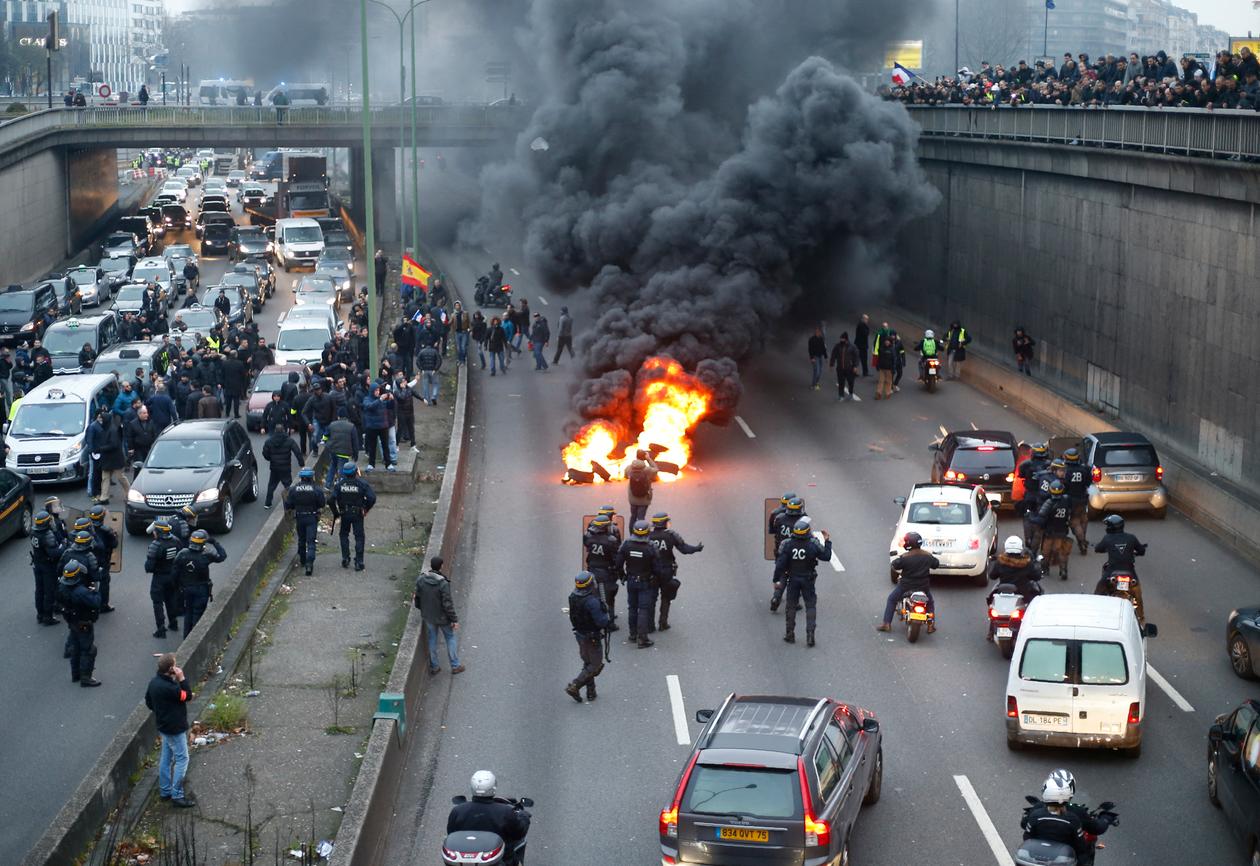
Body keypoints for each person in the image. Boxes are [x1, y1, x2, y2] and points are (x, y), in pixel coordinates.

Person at [447, 771, 531, 865]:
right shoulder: (505, 812)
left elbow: (451, 834)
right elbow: (518, 833)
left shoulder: (458, 810)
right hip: (500, 859)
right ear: (493, 787)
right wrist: (524, 816)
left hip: (463, 859)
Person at [145, 653, 196, 808]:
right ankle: (177, 795)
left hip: (163, 726)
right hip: (175, 728)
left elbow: (148, 701)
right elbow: (187, 696)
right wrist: (181, 678)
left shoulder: (154, 683)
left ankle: (165, 790)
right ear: (171, 669)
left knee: (166, 759)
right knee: (182, 759)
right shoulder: (171, 688)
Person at [616, 520, 669, 648]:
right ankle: (642, 639)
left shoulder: (626, 544)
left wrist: (622, 576)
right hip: (646, 582)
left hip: (631, 581)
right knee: (643, 609)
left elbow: (618, 563)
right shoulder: (651, 547)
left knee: (632, 608)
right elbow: (657, 568)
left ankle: (633, 634)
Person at [647, 512, 703, 631]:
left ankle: (649, 626)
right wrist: (697, 549)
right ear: (664, 523)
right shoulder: (671, 535)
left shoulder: (648, 535)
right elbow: (684, 549)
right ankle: (663, 623)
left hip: (652, 572)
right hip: (667, 570)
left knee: (651, 598)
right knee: (666, 597)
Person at [879, 531, 939, 633]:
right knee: (930, 602)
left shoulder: (905, 557)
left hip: (905, 586)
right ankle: (931, 625)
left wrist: (896, 560)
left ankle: (886, 624)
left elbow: (895, 565)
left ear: (909, 544)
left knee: (892, 599)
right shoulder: (927, 556)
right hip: (923, 587)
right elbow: (936, 564)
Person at [414, 556, 464, 674]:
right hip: (443, 618)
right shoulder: (443, 583)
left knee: (432, 639)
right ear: (441, 566)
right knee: (450, 638)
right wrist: (454, 620)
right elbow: (447, 604)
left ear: (431, 565)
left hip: (429, 616)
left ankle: (435, 666)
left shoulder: (421, 579)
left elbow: (417, 596)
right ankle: (455, 665)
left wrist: (421, 608)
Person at [564, 571, 610, 702]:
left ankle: (591, 691)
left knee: (588, 662)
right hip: (592, 637)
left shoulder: (573, 596)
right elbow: (602, 622)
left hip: (580, 634)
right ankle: (575, 685)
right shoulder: (592, 602)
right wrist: (605, 612)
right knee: (595, 665)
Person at [173, 529, 226, 638]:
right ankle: (195, 639)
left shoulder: (182, 554)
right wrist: (214, 542)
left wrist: (178, 587)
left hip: (186, 589)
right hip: (201, 590)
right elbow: (222, 556)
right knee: (198, 615)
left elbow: (174, 573)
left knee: (188, 613)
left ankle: (186, 638)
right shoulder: (206, 555)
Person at [1093, 514, 1147, 619]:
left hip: (1111, 572)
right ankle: (1141, 617)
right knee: (1137, 593)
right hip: (1130, 572)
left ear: (1111, 527)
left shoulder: (1107, 538)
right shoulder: (1131, 537)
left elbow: (1098, 548)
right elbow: (1142, 550)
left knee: (1098, 591)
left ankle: (1095, 612)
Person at [58, 562, 101, 686]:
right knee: (88, 650)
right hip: (84, 623)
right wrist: (96, 590)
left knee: (75, 648)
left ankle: (75, 674)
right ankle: (86, 678)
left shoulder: (61, 587)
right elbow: (97, 602)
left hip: (72, 621)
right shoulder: (81, 592)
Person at [331, 462, 376, 571]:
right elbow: (372, 498)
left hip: (344, 513)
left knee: (343, 535)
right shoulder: (362, 484)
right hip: (357, 513)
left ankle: (345, 558)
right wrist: (366, 508)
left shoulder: (340, 485)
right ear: (356, 472)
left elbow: (331, 500)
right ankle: (359, 562)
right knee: (359, 536)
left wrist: (336, 513)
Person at [145, 518, 182, 638]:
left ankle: (161, 629)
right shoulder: (176, 541)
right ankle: (173, 623)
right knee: (171, 600)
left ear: (158, 532)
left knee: (157, 602)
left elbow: (149, 567)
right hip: (172, 576)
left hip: (159, 578)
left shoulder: (156, 545)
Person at [583, 514, 621, 632]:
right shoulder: (611, 541)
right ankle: (609, 624)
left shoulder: (588, 537)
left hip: (592, 570)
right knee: (608, 599)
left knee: (594, 596)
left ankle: (594, 620)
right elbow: (616, 558)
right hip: (606, 573)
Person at [284, 468, 325, 575]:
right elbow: (322, 503)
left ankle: (302, 560)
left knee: (301, 539)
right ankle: (309, 564)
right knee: (311, 542)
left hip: (300, 517)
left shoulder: (294, 489)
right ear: (312, 477)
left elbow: (288, 504)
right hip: (311, 517)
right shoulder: (316, 489)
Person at [769, 496, 806, 611]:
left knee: (782, 575)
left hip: (781, 552)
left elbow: (773, 531)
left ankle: (776, 597)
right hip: (798, 553)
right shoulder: (804, 520)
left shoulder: (779, 518)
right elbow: (807, 535)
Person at [1034, 479, 1074, 581]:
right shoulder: (1067, 500)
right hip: (1063, 531)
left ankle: (1045, 568)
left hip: (1050, 532)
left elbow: (1041, 517)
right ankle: (1063, 570)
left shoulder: (1049, 502)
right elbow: (1071, 512)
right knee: (1062, 552)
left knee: (1046, 552)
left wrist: (1031, 518)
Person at [30, 510, 63, 626]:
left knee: (39, 590)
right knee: (49, 591)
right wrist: (63, 547)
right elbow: (54, 553)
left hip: (37, 564)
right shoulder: (47, 534)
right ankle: (48, 616)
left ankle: (40, 614)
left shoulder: (33, 532)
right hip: (47, 567)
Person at [262, 424, 304, 509]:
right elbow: (297, 452)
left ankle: (268, 503)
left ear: (275, 431)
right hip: (285, 467)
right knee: (288, 486)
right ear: (284, 430)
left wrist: (270, 458)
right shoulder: (289, 440)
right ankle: (290, 504)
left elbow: (265, 454)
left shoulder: (269, 441)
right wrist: (301, 463)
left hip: (274, 467)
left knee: (271, 485)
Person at [87, 504, 118, 613]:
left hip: (89, 559)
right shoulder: (107, 530)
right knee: (104, 581)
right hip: (103, 560)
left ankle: (88, 602)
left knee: (88, 581)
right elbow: (114, 544)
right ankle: (103, 605)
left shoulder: (87, 528)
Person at [626, 449, 659, 524]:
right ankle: (640, 533)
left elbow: (625, 475)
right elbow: (656, 469)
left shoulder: (629, 468)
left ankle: (632, 534)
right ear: (644, 457)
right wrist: (648, 459)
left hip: (632, 498)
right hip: (644, 498)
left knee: (633, 516)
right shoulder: (647, 470)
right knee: (641, 518)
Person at [829, 332, 860, 401]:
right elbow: (833, 355)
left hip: (849, 368)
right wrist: (831, 364)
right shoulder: (837, 346)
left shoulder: (852, 346)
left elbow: (856, 357)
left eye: (842, 339)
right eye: (840, 339)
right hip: (840, 368)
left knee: (851, 382)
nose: (841, 340)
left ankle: (851, 393)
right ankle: (841, 396)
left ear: (846, 339)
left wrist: (855, 366)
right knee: (841, 382)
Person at [416, 341, 442, 405]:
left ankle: (427, 400)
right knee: (435, 384)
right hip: (433, 370)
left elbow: (417, 361)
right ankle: (434, 396)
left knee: (425, 385)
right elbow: (439, 360)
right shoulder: (435, 351)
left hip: (425, 370)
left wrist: (421, 369)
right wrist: (435, 369)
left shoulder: (422, 352)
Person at [873, 331, 897, 400]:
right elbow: (879, 357)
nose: (887, 342)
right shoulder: (881, 348)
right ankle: (878, 394)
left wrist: (893, 368)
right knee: (881, 381)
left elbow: (894, 359)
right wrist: (877, 365)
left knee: (888, 382)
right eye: (886, 341)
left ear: (890, 342)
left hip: (889, 369)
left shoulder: (892, 350)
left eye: (888, 341)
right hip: (882, 368)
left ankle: (887, 393)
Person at [807, 325, 827, 390]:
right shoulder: (812, 340)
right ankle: (813, 385)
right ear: (815, 332)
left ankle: (816, 384)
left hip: (820, 357)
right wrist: (811, 358)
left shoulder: (821, 339)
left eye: (819, 331)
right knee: (817, 371)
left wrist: (826, 357)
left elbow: (823, 348)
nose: (818, 333)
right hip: (815, 357)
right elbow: (810, 349)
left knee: (820, 372)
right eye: (817, 331)